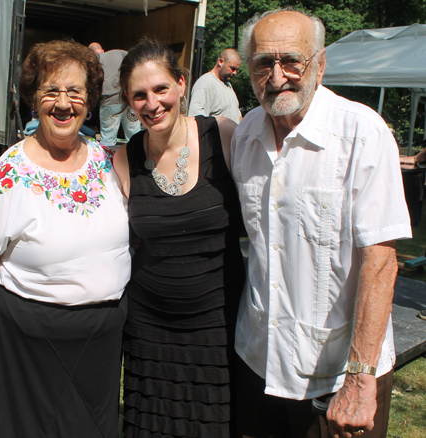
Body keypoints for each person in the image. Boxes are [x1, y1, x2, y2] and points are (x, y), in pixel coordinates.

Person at [231, 9, 412, 438]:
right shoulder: (246, 134)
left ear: (320, 64)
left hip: (335, 376)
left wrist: (360, 378)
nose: (277, 77)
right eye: (262, 63)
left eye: (292, 60)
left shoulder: (361, 133)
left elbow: (382, 263)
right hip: (258, 360)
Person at [0, 39, 131, 438]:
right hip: (29, 342)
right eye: (51, 91)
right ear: (34, 102)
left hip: (101, 341)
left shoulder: (105, 159)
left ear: (89, 102)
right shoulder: (10, 171)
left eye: (75, 92)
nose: (64, 103)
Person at [113, 38, 246, 437]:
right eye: (139, 95)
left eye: (160, 89)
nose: (151, 104)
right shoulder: (125, 157)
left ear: (182, 84)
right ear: (127, 100)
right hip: (148, 328)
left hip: (217, 325)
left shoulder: (223, 135)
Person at [89, 42, 140, 147]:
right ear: (102, 50)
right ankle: (137, 161)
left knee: (108, 137)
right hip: (128, 100)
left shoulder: (94, 62)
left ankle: (108, 161)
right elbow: (136, 61)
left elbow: (92, 84)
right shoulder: (119, 52)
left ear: (91, 53)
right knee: (135, 135)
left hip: (109, 102)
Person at [188, 48, 242, 123]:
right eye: (232, 68)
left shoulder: (228, 85)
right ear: (221, 62)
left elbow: (238, 115)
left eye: (237, 69)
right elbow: (197, 121)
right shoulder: (205, 83)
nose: (235, 73)